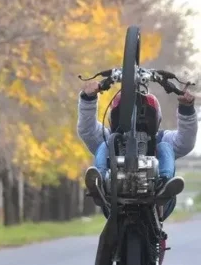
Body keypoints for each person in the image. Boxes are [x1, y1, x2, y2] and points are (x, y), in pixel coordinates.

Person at [78, 80, 197, 220]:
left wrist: (186, 110)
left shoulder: (161, 139)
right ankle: (100, 185)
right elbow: (88, 130)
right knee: (104, 145)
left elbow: (185, 142)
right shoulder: (109, 138)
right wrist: (88, 99)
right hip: (112, 197)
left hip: (159, 200)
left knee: (165, 147)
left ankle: (164, 185)